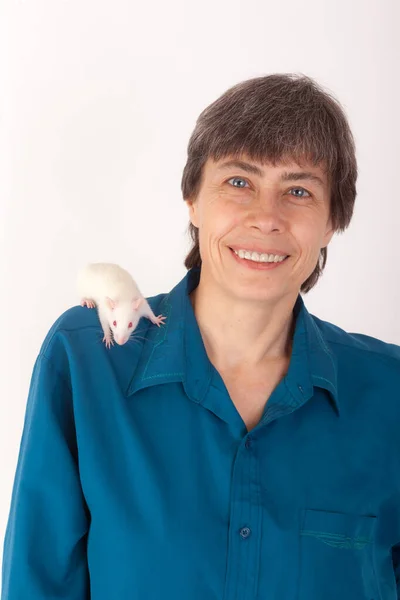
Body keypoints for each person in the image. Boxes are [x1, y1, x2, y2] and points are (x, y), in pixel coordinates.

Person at [2, 73, 400, 600]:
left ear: (333, 221)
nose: (266, 218)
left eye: (298, 190)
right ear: (192, 199)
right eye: (239, 182)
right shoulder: (88, 358)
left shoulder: (389, 392)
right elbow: (38, 583)